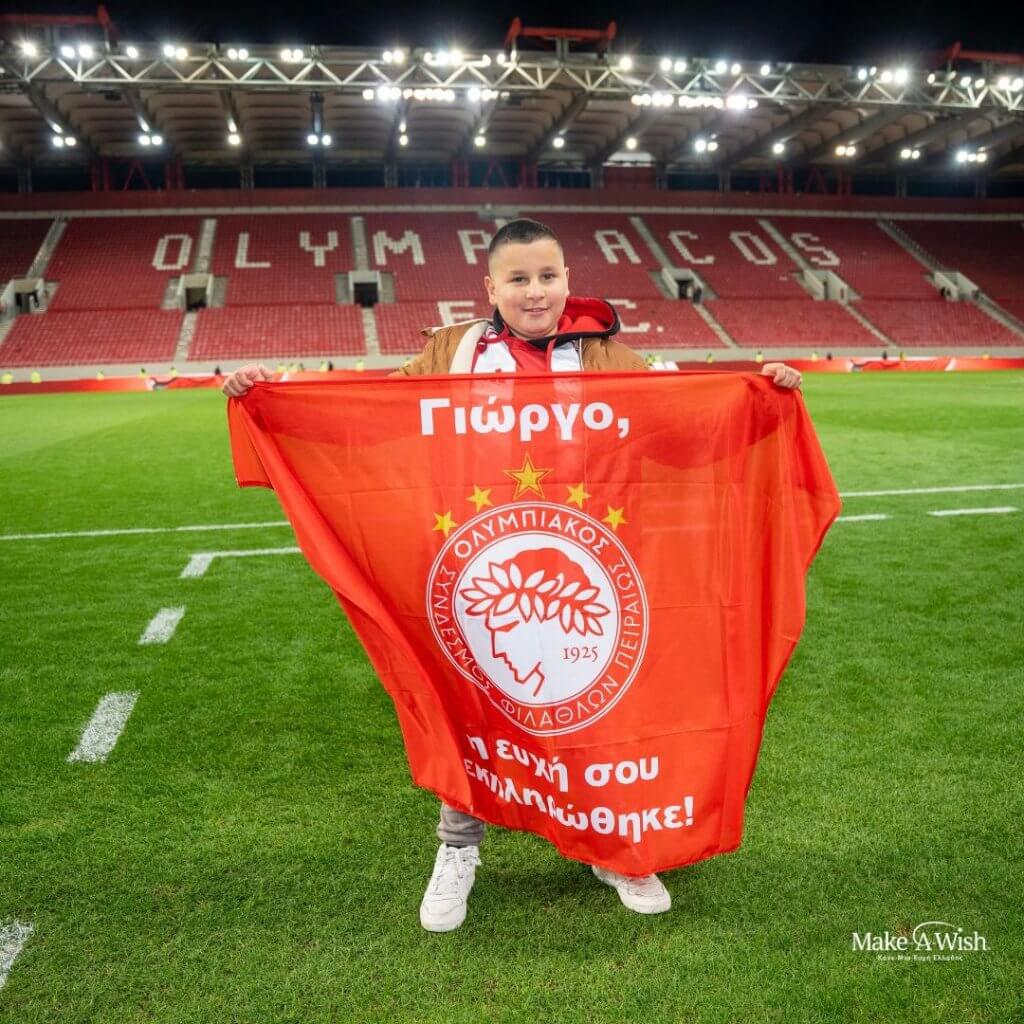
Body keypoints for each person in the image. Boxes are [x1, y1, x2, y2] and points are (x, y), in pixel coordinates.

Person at [222, 218, 803, 933]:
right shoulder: (456, 349)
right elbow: (372, 412)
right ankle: (457, 848)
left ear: (567, 281)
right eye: (519, 279)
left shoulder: (605, 355)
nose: (535, 292)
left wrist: (761, 392)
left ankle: (615, 847)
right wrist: (273, 394)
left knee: (600, 710)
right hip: (479, 564)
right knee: (474, 706)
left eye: (548, 276)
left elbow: (683, 418)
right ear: (490, 287)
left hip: (589, 563)